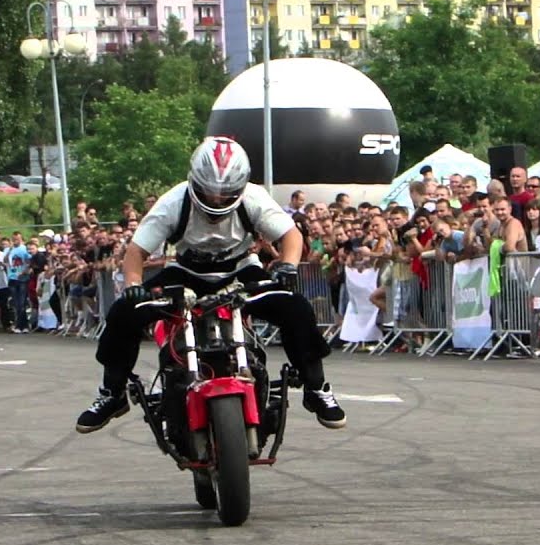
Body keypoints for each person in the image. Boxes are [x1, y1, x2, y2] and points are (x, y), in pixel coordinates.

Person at [78, 137, 344, 434]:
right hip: (185, 272)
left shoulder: (253, 197)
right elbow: (136, 252)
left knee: (296, 307)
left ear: (240, 186)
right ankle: (112, 392)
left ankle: (316, 387)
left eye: (226, 193)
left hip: (240, 271)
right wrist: (133, 285)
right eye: (210, 191)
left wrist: (287, 266)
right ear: (195, 181)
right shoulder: (173, 202)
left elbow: (290, 235)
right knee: (125, 310)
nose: (217, 199)